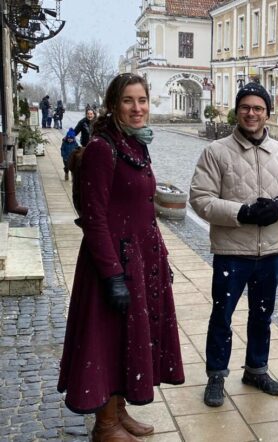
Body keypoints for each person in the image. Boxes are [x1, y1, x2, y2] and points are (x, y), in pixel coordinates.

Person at [57, 73, 184, 441]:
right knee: (109, 339)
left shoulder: (136, 145)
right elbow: (94, 218)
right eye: (128, 101)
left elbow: (143, 207)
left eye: (142, 100)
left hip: (140, 259)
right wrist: (113, 274)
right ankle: (105, 424)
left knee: (129, 338)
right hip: (111, 263)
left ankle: (120, 411)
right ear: (114, 105)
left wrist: (160, 255)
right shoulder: (102, 148)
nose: (137, 108)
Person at [190, 82, 278, 408]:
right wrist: (241, 212)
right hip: (232, 253)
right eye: (246, 107)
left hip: (270, 252)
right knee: (222, 315)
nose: (251, 113)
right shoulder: (216, 152)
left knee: (262, 315)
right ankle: (216, 374)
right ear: (237, 111)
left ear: (268, 113)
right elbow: (200, 200)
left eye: (258, 108)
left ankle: (256, 369)